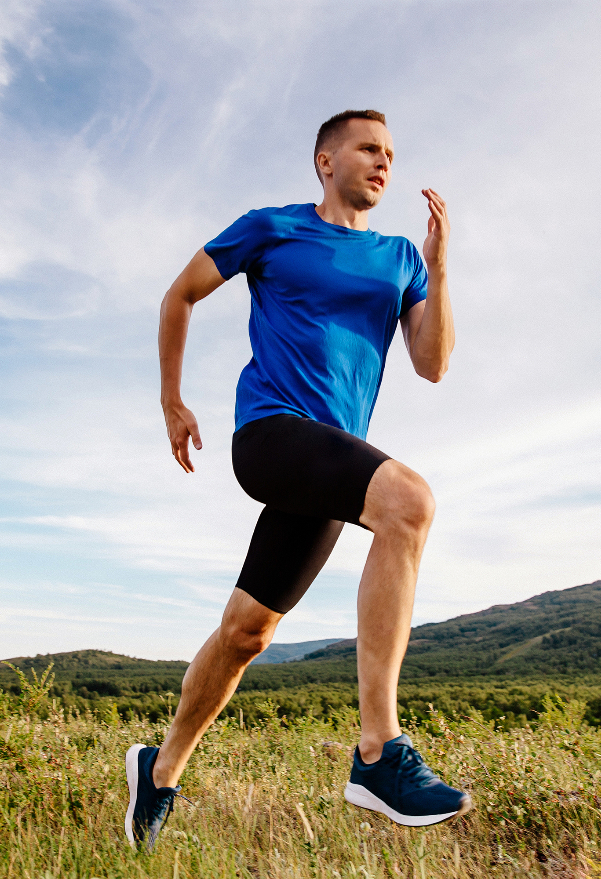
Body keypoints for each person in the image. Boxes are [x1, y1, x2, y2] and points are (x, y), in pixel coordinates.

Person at [127, 109, 468, 851]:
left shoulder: (400, 256)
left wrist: (439, 270)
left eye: (391, 153)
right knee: (409, 502)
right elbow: (178, 294)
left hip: (331, 460)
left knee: (247, 632)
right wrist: (171, 398)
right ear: (325, 159)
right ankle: (378, 752)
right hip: (271, 434)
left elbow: (433, 362)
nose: (384, 163)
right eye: (368, 149)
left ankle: (160, 769)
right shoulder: (272, 228)